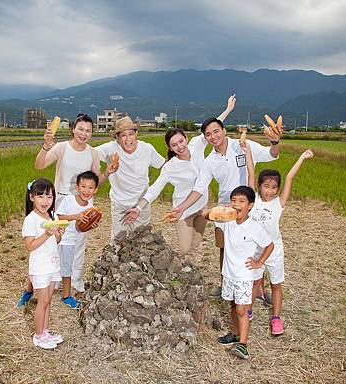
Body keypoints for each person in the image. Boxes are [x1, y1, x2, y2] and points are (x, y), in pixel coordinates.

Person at [169, 117, 281, 295]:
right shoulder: (209, 161)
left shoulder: (242, 145)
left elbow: (271, 154)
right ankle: (225, 285)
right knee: (224, 247)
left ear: (224, 131)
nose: (213, 136)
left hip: (248, 207)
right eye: (208, 134)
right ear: (205, 139)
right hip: (225, 210)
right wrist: (181, 207)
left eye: (215, 131)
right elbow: (199, 188)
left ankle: (259, 288)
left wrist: (274, 142)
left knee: (255, 247)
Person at [18, 114, 116, 307]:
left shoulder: (92, 153)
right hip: (61, 202)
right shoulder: (62, 147)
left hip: (83, 203)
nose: (84, 133)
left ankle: (71, 286)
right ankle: (31, 288)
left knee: (77, 245)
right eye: (81, 129)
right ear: (73, 129)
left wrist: (107, 173)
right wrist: (45, 146)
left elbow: (94, 182)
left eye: (88, 130)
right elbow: (40, 165)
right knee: (50, 246)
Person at [122, 95, 237, 258]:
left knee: (195, 245)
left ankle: (186, 272)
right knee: (183, 249)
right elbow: (155, 189)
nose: (180, 146)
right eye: (174, 145)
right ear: (170, 148)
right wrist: (138, 208)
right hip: (183, 210)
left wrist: (228, 110)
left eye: (181, 141)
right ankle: (171, 267)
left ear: (186, 138)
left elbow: (213, 129)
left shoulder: (197, 145)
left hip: (202, 206)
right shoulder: (170, 167)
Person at [203, 186, 274, 360]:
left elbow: (269, 245)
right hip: (229, 273)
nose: (236, 204)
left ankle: (243, 345)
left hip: (244, 275)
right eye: (234, 200)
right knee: (234, 305)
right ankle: (235, 334)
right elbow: (205, 214)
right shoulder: (227, 220)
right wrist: (221, 209)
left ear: (250, 205)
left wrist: (259, 262)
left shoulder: (253, 227)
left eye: (241, 201)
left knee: (242, 309)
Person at [248, 149, 314, 335]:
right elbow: (251, 173)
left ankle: (276, 318)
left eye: (274, 187)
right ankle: (249, 309)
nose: (270, 190)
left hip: (274, 250)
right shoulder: (253, 200)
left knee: (276, 285)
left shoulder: (279, 202)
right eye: (266, 186)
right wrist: (247, 151)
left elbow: (291, 176)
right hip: (256, 250)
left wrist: (302, 157)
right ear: (259, 187)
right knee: (254, 283)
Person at [95, 115, 165, 241]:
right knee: (118, 241)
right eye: (123, 135)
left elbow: (164, 166)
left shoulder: (147, 149)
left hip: (141, 203)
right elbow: (88, 154)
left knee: (143, 239)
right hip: (119, 203)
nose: (128, 139)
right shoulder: (110, 148)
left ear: (136, 134)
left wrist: (182, 162)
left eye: (131, 134)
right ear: (117, 138)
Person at [21, 178, 65, 349]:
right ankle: (38, 336)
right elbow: (30, 246)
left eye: (50, 197)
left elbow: (57, 241)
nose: (46, 201)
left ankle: (45, 332)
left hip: (53, 264)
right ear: (32, 197)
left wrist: (58, 233)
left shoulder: (51, 215)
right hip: (40, 267)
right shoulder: (30, 220)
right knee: (43, 301)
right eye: (41, 197)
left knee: (48, 301)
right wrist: (47, 234)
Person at [56, 171, 99, 309]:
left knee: (66, 269)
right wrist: (76, 216)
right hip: (59, 239)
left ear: (96, 190)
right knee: (56, 267)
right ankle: (63, 295)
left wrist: (90, 226)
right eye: (83, 186)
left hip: (71, 242)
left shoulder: (90, 208)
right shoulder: (68, 200)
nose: (86, 191)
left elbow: (80, 229)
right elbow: (59, 217)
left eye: (90, 187)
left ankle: (65, 295)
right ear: (77, 187)